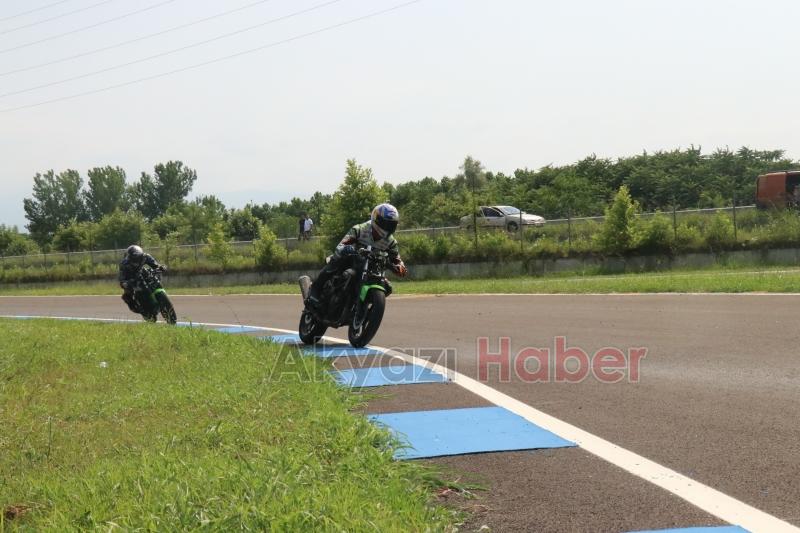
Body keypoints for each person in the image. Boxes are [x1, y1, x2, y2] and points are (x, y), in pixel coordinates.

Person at [306, 203, 407, 309]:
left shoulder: (391, 242)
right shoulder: (360, 229)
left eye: (390, 225)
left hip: (372, 269)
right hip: (352, 261)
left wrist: (399, 267)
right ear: (376, 219)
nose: (387, 228)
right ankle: (315, 289)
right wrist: (347, 248)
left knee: (388, 287)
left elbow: (397, 260)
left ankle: (365, 309)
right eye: (384, 224)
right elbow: (341, 245)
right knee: (336, 260)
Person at [119, 245, 165, 312]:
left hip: (141, 272)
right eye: (134, 258)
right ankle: (132, 305)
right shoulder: (124, 264)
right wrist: (124, 283)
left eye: (138, 257)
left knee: (150, 273)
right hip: (130, 276)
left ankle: (156, 293)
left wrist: (161, 267)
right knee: (127, 291)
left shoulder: (145, 256)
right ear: (129, 258)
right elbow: (122, 276)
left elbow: (155, 265)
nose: (136, 260)